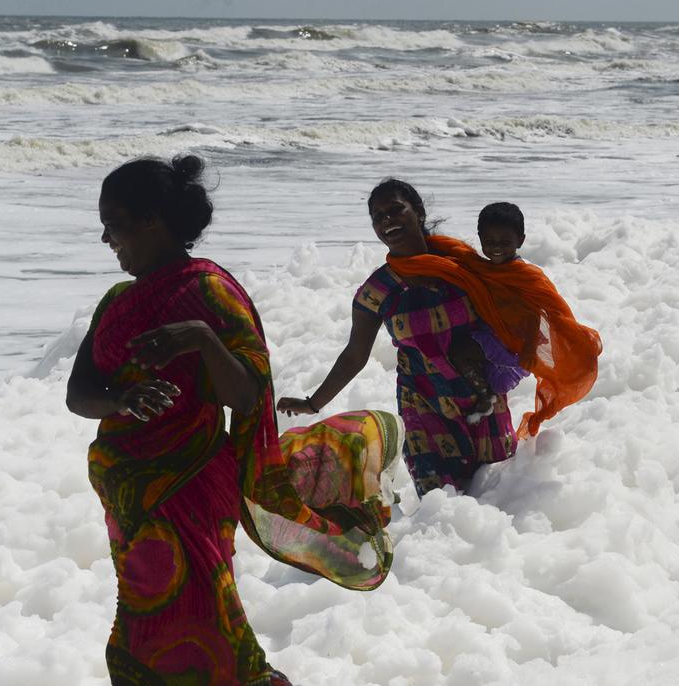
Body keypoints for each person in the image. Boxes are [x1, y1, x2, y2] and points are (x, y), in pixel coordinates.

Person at [67, 155, 401, 686]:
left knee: (191, 619)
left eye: (114, 222)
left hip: (190, 484)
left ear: (152, 219)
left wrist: (202, 338)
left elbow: (247, 397)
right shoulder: (116, 301)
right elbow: (78, 393)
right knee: (149, 618)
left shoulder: (210, 292)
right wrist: (123, 399)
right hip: (128, 497)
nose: (107, 237)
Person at [277, 180, 519, 497]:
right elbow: (354, 354)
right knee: (442, 508)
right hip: (424, 408)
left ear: (417, 212)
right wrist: (314, 402)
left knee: (500, 503)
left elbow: (515, 300)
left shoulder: (462, 264)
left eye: (395, 210)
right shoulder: (377, 291)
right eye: (378, 217)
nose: (387, 220)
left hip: (482, 399)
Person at [446, 202, 533, 418]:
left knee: (458, 351)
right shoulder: (485, 269)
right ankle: (488, 392)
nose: (496, 247)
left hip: (512, 346)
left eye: (505, 242)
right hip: (491, 335)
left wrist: (529, 348)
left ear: (520, 240)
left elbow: (539, 312)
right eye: (489, 241)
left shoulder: (525, 275)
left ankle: (484, 395)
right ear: (480, 238)